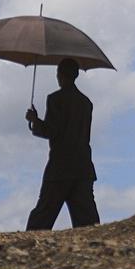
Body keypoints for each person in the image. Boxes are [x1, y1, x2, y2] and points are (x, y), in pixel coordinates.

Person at [24, 58, 100, 230]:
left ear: (60, 75)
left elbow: (51, 131)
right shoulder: (86, 103)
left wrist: (35, 120)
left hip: (60, 168)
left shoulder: (55, 99)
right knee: (87, 222)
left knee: (42, 217)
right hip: (83, 167)